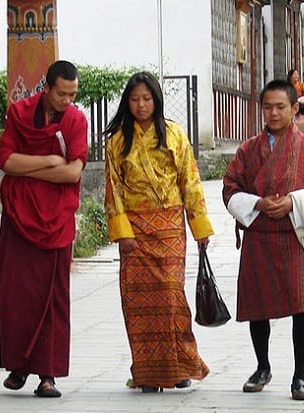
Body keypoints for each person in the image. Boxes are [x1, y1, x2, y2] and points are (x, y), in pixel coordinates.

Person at [222, 80, 304, 402]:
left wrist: (293, 202)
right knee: (257, 306)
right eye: (268, 107)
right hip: (259, 235)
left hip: (294, 237)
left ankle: (300, 376)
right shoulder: (247, 150)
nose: (273, 113)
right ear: (261, 109)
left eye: (280, 107)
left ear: (293, 110)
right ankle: (262, 367)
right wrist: (257, 203)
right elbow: (230, 188)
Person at [103, 72, 213, 393]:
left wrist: (199, 226)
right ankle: (148, 370)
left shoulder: (175, 135)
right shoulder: (117, 142)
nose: (140, 105)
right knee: (137, 301)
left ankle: (178, 367)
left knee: (170, 295)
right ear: (127, 102)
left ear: (157, 100)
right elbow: (114, 190)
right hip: (134, 229)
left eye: (147, 99)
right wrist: (122, 232)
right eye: (135, 99)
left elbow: (190, 182)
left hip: (169, 229)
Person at [0, 60, 88, 398]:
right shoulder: (19, 113)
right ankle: (18, 366)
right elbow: (6, 161)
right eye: (61, 93)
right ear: (46, 88)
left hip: (56, 219)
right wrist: (48, 162)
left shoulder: (76, 120)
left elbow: (73, 173)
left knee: (53, 298)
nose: (67, 100)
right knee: (12, 292)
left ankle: (47, 375)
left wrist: (27, 170)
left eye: (72, 94)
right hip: (19, 215)